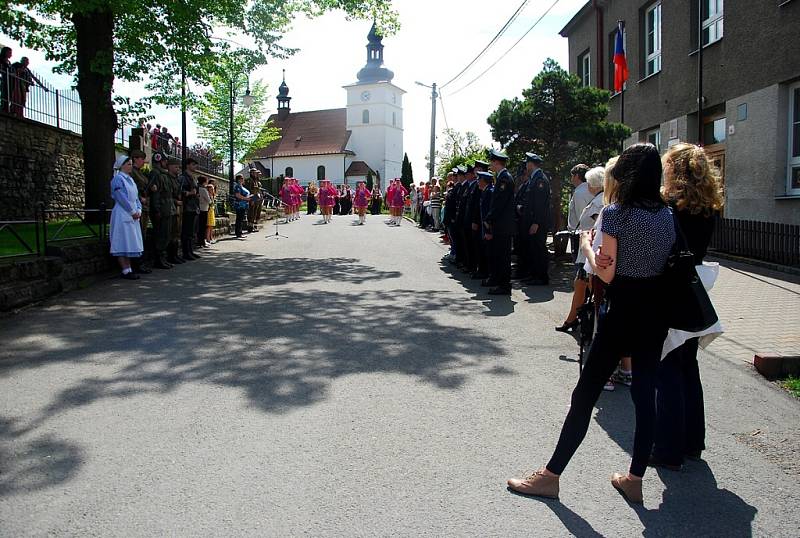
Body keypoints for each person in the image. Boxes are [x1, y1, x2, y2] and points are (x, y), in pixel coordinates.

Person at [507, 144, 676, 505]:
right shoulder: (667, 214)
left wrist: (585, 246)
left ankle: (550, 477)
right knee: (646, 396)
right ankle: (634, 478)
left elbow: (607, 272)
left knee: (584, 396)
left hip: (622, 313)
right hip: (655, 313)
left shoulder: (616, 214)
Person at [651, 143, 724, 471]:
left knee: (667, 369)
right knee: (688, 367)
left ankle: (668, 450)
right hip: (693, 293)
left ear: (674, 169)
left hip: (669, 292)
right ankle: (693, 442)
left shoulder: (668, 205)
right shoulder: (708, 206)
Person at [556, 166, 605, 332]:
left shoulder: (599, 202)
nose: (588, 186)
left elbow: (599, 228)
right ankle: (573, 318)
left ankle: (579, 320)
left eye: (590, 183)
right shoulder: (597, 199)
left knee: (588, 287)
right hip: (587, 252)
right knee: (580, 284)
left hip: (590, 252)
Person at [483, 150, 516, 296]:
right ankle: (498, 281)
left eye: (492, 162)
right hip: (501, 224)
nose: (490, 164)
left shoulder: (504, 178)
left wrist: (490, 217)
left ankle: (504, 285)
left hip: (503, 225)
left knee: (503, 256)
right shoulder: (502, 176)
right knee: (498, 254)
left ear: (497, 162)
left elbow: (499, 203)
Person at [109, 155, 143, 280]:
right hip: (123, 213)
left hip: (132, 214)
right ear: (121, 166)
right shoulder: (118, 179)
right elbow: (121, 197)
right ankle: (125, 269)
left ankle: (129, 268)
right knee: (122, 240)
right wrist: (132, 210)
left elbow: (136, 198)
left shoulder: (131, 180)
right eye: (128, 164)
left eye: (130, 164)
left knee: (129, 241)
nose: (130, 166)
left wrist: (138, 209)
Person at [522, 153, 551, 285]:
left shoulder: (540, 180)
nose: (526, 166)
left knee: (539, 249)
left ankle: (541, 277)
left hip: (538, 223)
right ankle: (534, 275)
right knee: (533, 249)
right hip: (532, 221)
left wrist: (536, 222)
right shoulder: (534, 178)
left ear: (531, 164)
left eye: (527, 163)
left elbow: (540, 204)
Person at [146, 152, 175, 269]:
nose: (166, 163)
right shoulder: (156, 174)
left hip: (167, 208)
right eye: (164, 161)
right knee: (161, 235)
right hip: (161, 209)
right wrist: (157, 210)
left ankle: (162, 257)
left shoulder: (164, 174)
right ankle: (158, 259)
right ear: (160, 161)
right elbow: (155, 194)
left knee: (166, 234)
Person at [128, 149, 152, 274]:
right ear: (135, 159)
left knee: (143, 233)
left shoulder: (140, 173)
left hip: (144, 205)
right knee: (139, 235)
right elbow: (132, 189)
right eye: (142, 159)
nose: (143, 161)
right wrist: (139, 198)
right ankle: (137, 263)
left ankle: (141, 261)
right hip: (137, 206)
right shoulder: (132, 173)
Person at [566, 164, 593, 260]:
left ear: (577, 176)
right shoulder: (590, 189)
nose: (571, 179)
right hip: (588, 233)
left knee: (580, 265)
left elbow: (581, 216)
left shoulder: (579, 192)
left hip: (580, 234)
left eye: (572, 176)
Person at [179, 158, 201, 260]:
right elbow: (180, 191)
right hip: (187, 206)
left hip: (193, 206)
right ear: (188, 165)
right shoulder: (183, 177)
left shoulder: (193, 177)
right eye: (193, 164)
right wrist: (190, 193)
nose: (195, 166)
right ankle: (186, 252)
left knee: (192, 231)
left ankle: (190, 251)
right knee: (187, 231)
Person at [476, 171, 494, 280]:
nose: (477, 182)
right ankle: (485, 273)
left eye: (479, 180)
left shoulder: (489, 192)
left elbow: (489, 214)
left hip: (488, 228)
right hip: (485, 227)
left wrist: (488, 231)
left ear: (483, 181)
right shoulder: (485, 191)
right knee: (485, 251)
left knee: (489, 253)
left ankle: (489, 274)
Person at [197, 176, 211, 247]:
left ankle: (199, 241)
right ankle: (202, 241)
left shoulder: (197, 188)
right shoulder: (203, 189)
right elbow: (208, 200)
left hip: (199, 208)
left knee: (199, 226)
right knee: (203, 226)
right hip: (204, 208)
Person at [205, 181, 217, 245]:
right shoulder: (208, 196)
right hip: (209, 211)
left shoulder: (212, 196)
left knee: (211, 225)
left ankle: (211, 237)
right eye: (211, 189)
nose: (212, 190)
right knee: (209, 226)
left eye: (213, 189)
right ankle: (208, 238)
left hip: (212, 211)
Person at [1, 46, 12, 114]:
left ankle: (7, 108)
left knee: (9, 95)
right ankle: (3, 107)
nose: (11, 54)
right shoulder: (1, 59)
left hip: (9, 80)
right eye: (10, 53)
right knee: (4, 93)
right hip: (4, 79)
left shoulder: (9, 61)